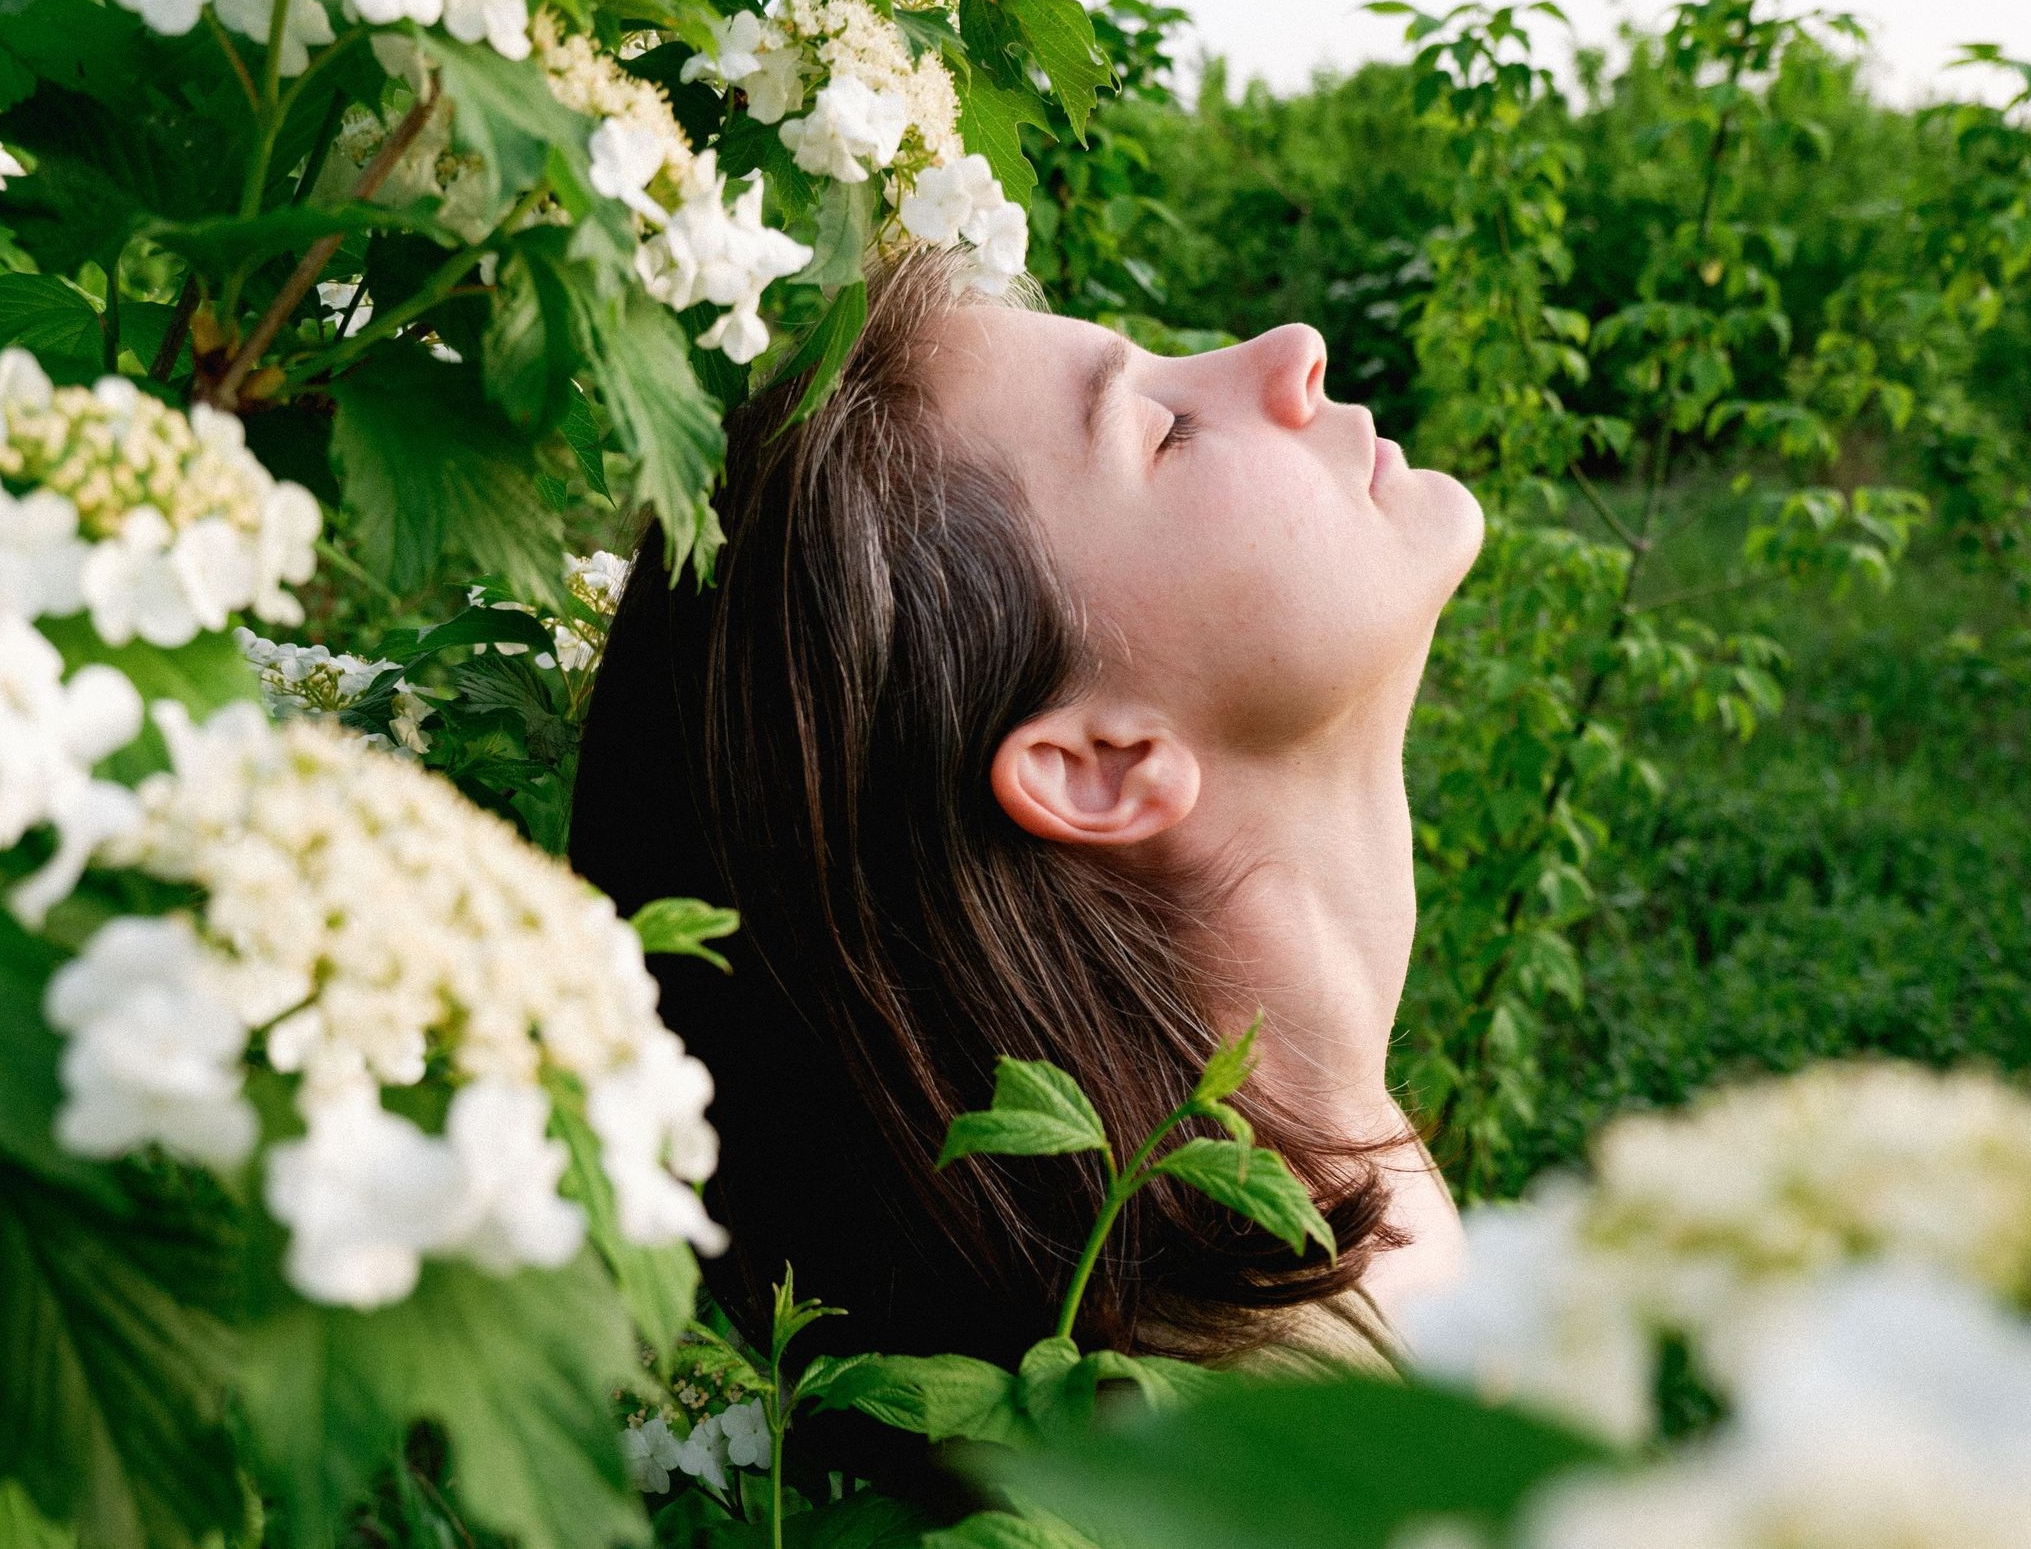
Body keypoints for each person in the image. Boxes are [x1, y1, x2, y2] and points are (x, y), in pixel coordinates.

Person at [569, 244, 1480, 1378]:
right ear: (1097, 765)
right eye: (1163, 429)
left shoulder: (1325, 1210)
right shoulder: (1285, 1451)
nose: (1292, 354)